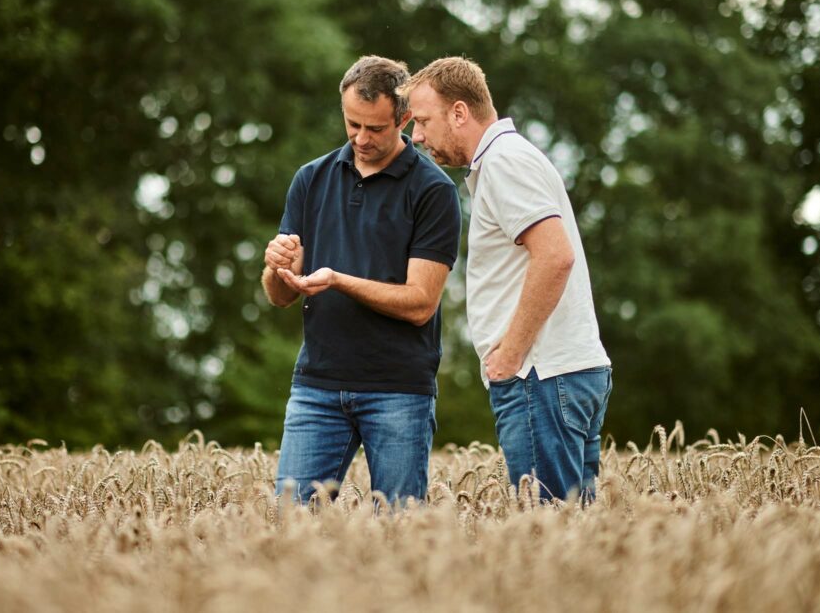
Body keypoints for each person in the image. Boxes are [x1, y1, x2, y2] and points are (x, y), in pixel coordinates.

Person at [401, 57, 612, 502]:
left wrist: (509, 356)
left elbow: (555, 257)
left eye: (422, 121)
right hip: (564, 372)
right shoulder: (512, 157)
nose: (415, 136)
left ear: (459, 112)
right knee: (578, 531)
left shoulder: (503, 162)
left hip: (541, 374)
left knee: (549, 532)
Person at [262, 55, 461, 506]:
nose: (360, 138)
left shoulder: (433, 191)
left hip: (397, 389)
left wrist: (338, 280)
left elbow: (420, 302)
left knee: (398, 532)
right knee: (287, 526)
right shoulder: (310, 179)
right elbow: (278, 297)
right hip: (316, 384)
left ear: (404, 118)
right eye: (352, 124)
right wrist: (277, 266)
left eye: (375, 129)